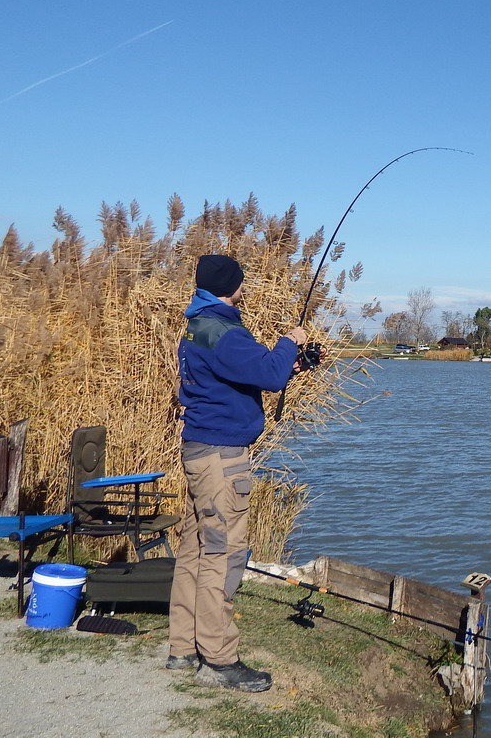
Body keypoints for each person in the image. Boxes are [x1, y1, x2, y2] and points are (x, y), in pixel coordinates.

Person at [166, 254, 307, 692]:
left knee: (193, 549)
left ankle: (182, 649)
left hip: (198, 452)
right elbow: (268, 373)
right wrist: (289, 342)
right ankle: (220, 659)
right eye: (242, 284)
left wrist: (291, 363)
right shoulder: (224, 331)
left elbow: (232, 377)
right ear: (233, 286)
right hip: (221, 460)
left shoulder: (197, 325)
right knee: (223, 553)